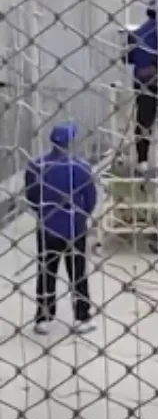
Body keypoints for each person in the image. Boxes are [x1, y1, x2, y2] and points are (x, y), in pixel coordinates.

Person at [24, 123, 98, 335]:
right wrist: (81, 217)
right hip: (74, 227)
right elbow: (90, 198)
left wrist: (43, 214)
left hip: (48, 227)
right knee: (78, 273)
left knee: (47, 271)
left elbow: (31, 195)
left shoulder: (36, 166)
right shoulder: (81, 167)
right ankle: (82, 317)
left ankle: (43, 318)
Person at [125, 0, 158, 174]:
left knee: (144, 121)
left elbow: (128, 58)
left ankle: (142, 161)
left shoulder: (137, 33)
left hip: (142, 83)